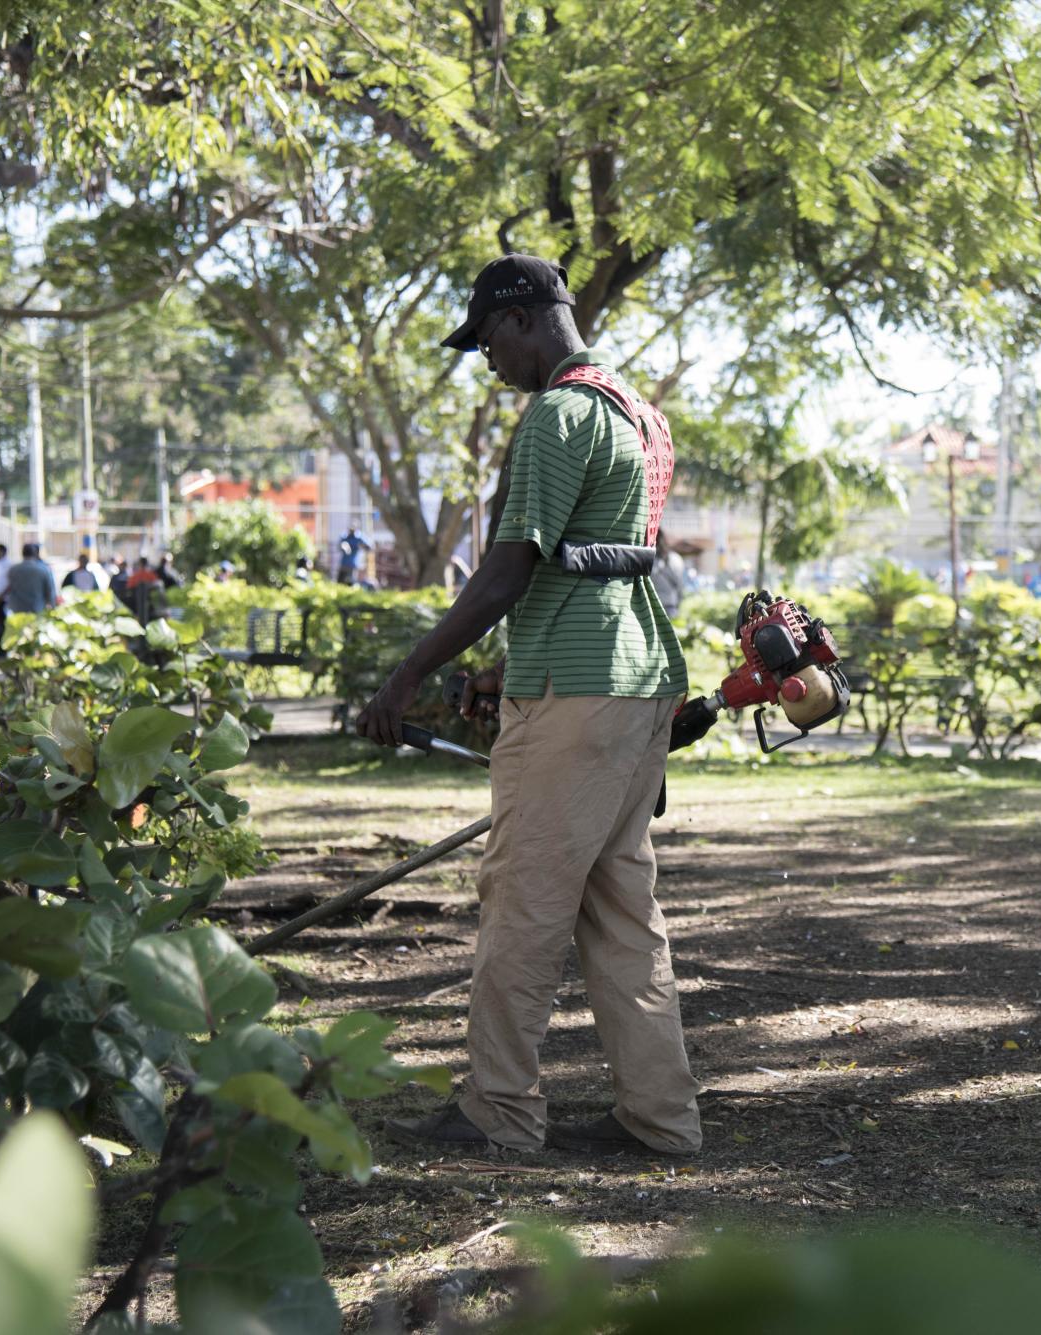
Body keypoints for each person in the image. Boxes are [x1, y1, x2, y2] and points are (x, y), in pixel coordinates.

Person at [356, 253, 698, 1159]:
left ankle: (498, 1107)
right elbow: (594, 563)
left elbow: (508, 572)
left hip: (580, 699)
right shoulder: (639, 413)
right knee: (622, 911)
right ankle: (659, 1117)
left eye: (486, 345)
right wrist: (511, 670)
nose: (489, 365)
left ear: (519, 320)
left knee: (524, 902)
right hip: (635, 681)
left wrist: (406, 676)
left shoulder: (558, 413)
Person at [4, 542, 59, 616]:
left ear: (23, 553)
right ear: (36, 554)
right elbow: (50, 591)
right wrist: (53, 608)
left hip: (17, 610)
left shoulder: (13, 569)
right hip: (36, 609)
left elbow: (9, 588)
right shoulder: (43, 570)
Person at [650, 528, 685, 619]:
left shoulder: (649, 560)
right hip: (672, 608)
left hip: (652, 609)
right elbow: (680, 586)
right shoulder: (676, 558)